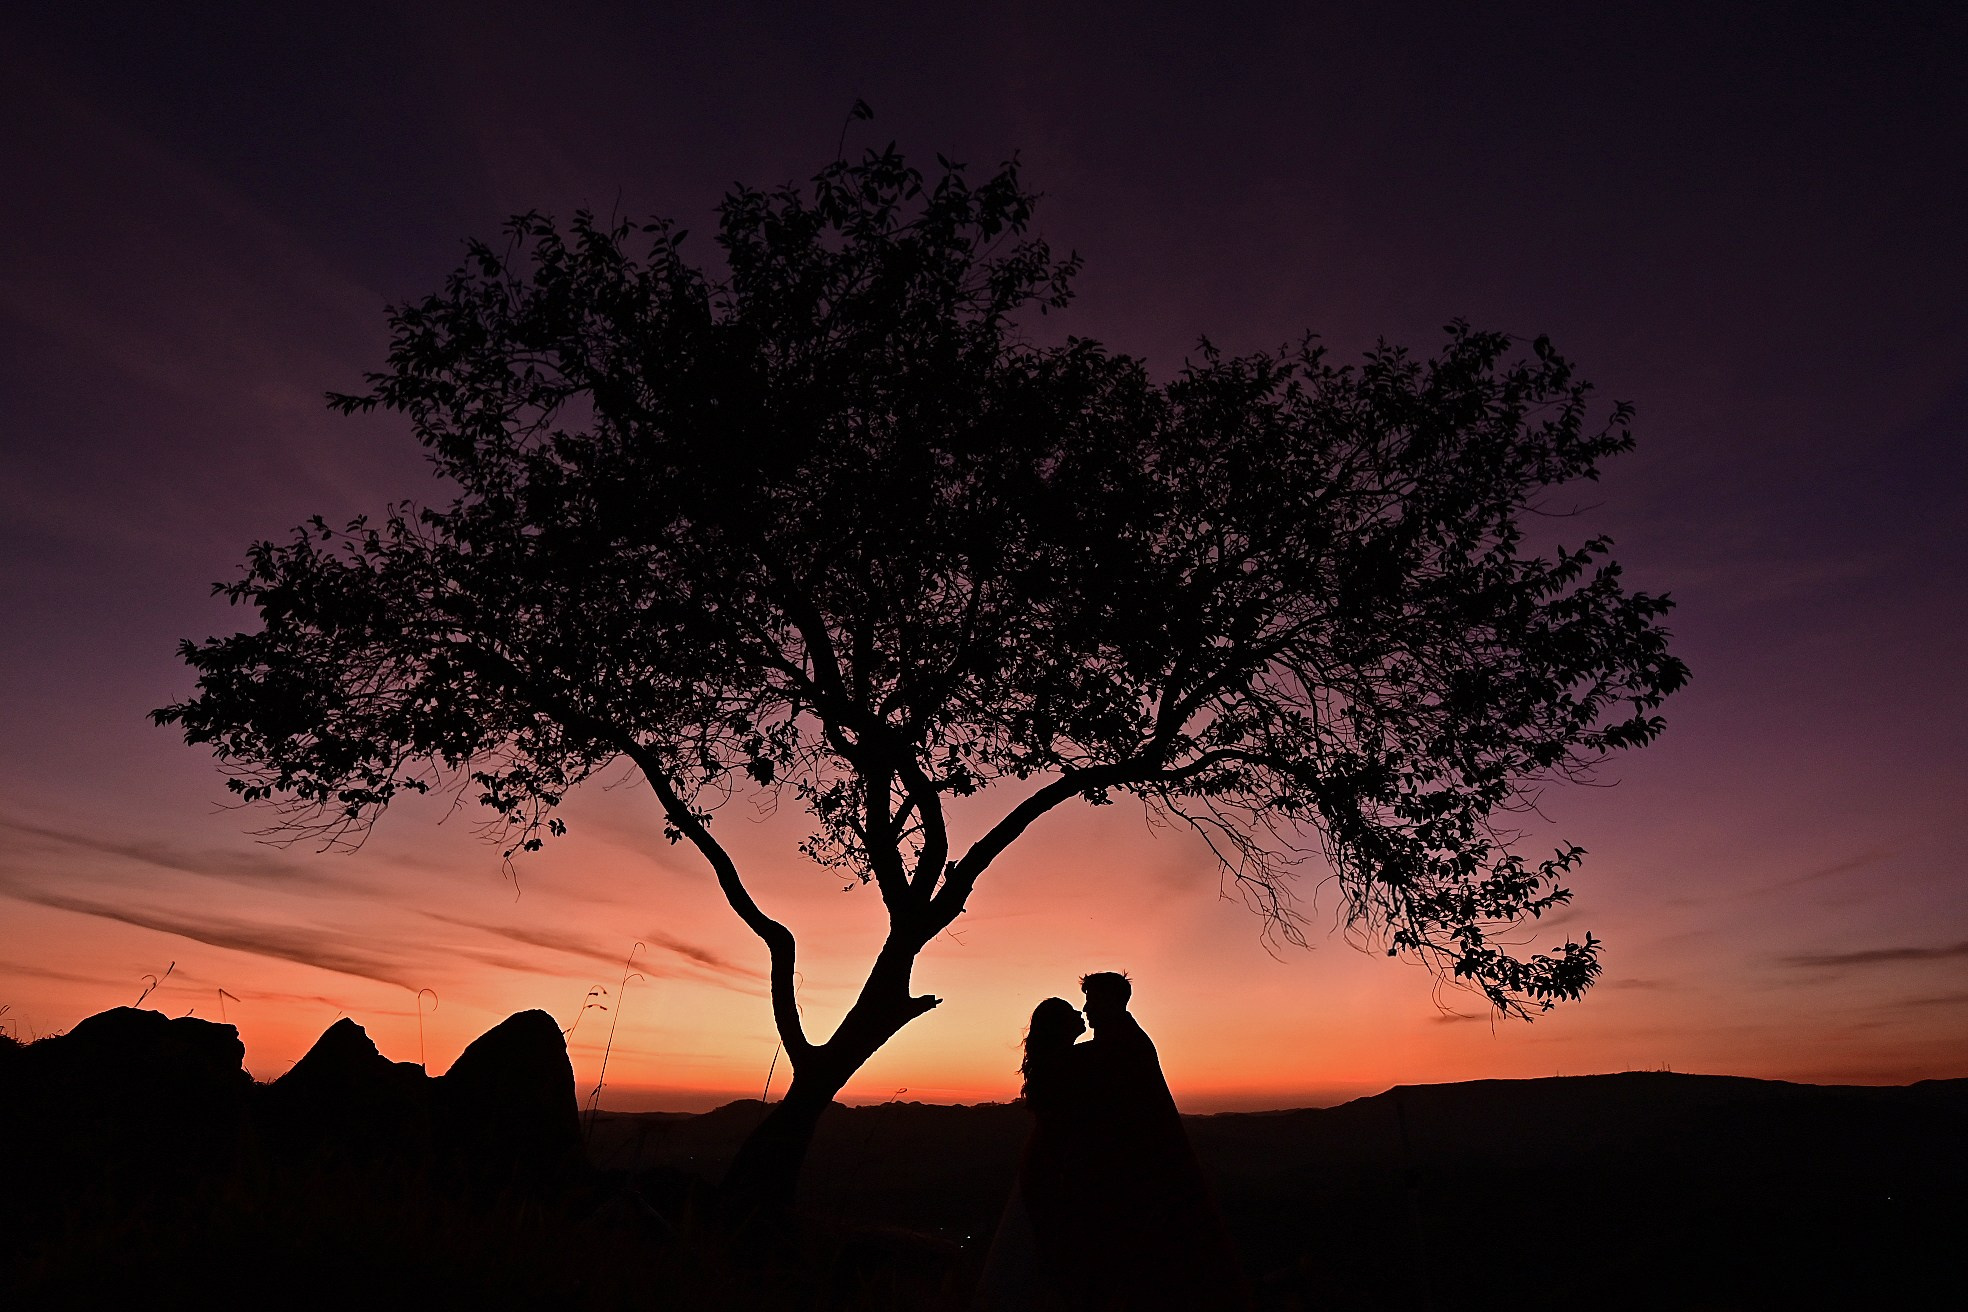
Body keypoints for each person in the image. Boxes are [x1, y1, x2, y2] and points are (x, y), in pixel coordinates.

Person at [1073, 972, 1250, 1311]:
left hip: (1140, 1177)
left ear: (1111, 1003)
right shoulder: (1124, 1042)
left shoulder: (1121, 1047)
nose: (1086, 1009)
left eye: (1092, 1001)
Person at [974, 997, 1093, 1310]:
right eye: (1070, 1012)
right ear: (1058, 1027)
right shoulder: (1067, 1063)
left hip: (1044, 1160)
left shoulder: (1055, 1062)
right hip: (1053, 1164)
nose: (1080, 1013)